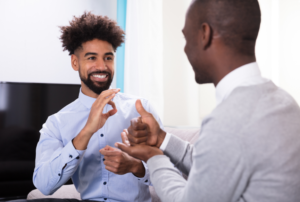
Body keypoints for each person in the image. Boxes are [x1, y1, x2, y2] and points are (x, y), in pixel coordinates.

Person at [116, 0, 300, 201]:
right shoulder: (286, 104)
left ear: (205, 34)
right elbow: (217, 168)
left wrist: (152, 156)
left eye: (186, 38)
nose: (185, 49)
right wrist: (161, 139)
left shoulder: (229, 119)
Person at [33, 12, 162, 202]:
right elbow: (43, 185)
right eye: (92, 58)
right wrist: (86, 131)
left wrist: (136, 167)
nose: (102, 66)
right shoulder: (57, 123)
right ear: (75, 62)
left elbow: (170, 175)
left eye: (108, 58)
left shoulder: (141, 109)